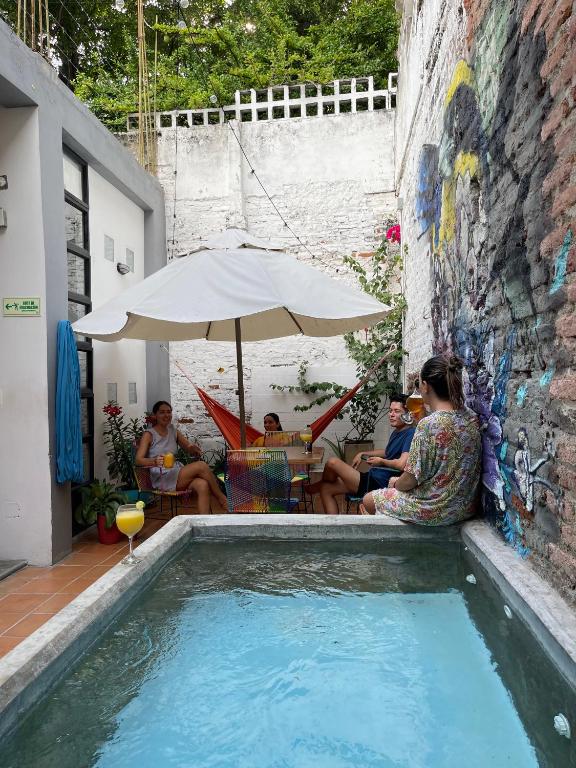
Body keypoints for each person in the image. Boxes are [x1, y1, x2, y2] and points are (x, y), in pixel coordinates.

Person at [362, 355, 481, 525]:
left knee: (368, 499)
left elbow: (409, 480)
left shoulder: (428, 425)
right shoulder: (471, 418)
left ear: (425, 386)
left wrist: (395, 483)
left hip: (435, 511)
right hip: (464, 508)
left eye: (418, 384)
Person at [304, 395, 416, 515]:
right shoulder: (398, 431)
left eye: (397, 411)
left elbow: (401, 464)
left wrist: (382, 461)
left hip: (379, 483)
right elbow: (388, 452)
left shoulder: (410, 433)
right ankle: (334, 529)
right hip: (373, 477)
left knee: (333, 462)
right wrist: (362, 453)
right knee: (326, 489)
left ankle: (319, 483)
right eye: (390, 411)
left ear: (408, 414)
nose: (391, 414)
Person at [135, 400, 227, 514]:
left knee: (202, 485)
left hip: (177, 472)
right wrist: (154, 461)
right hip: (162, 477)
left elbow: (188, 447)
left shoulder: (174, 431)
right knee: (201, 466)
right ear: (155, 415)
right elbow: (138, 460)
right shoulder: (149, 434)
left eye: (169, 412)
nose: (166, 415)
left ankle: (204, 522)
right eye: (162, 412)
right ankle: (221, 498)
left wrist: (193, 448)